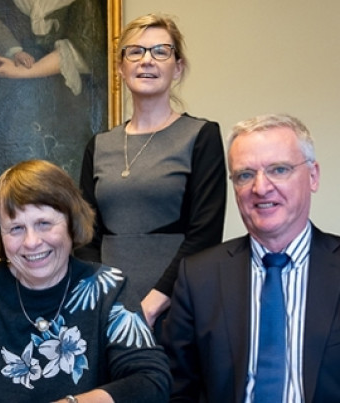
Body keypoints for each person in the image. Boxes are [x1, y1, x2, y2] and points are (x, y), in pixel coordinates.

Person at [0, 159, 171, 403]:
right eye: (16, 228)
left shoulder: (109, 288)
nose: (32, 242)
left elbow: (150, 381)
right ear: (0, 236)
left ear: (71, 224)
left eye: (44, 224)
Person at [163, 114, 340, 402]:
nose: (261, 188)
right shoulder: (198, 276)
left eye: (279, 170)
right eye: (245, 175)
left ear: (313, 176)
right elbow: (176, 389)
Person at [76, 14, 226, 331]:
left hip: (178, 310)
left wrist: (149, 307)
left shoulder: (201, 136)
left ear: (178, 67)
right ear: (120, 67)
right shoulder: (99, 145)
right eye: (136, 51)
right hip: (109, 314)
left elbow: (206, 234)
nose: (147, 60)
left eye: (161, 51)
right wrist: (109, 303)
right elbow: (86, 234)